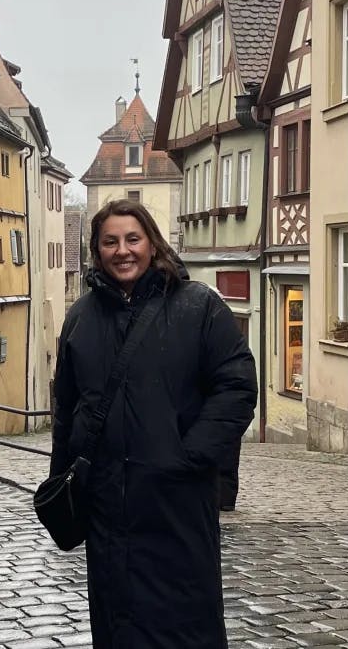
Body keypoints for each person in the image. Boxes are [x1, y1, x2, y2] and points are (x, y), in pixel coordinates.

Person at [50, 200, 257, 648]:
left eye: (132, 239)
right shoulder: (81, 317)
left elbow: (237, 386)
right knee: (117, 624)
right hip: (108, 510)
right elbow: (66, 407)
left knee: (184, 625)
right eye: (110, 241)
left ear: (152, 243)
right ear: (97, 250)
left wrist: (188, 457)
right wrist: (64, 479)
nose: (122, 251)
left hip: (176, 506)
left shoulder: (198, 306)